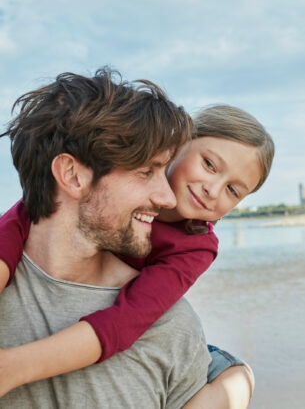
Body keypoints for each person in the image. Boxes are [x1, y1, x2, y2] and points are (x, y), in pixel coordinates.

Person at [0, 93, 274, 408]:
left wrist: (14, 368)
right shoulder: (105, 185)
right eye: (209, 165)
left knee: (236, 378)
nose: (212, 190)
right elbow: (18, 221)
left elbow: (129, 319)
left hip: (143, 327)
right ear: (177, 146)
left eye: (232, 190)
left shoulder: (196, 245)